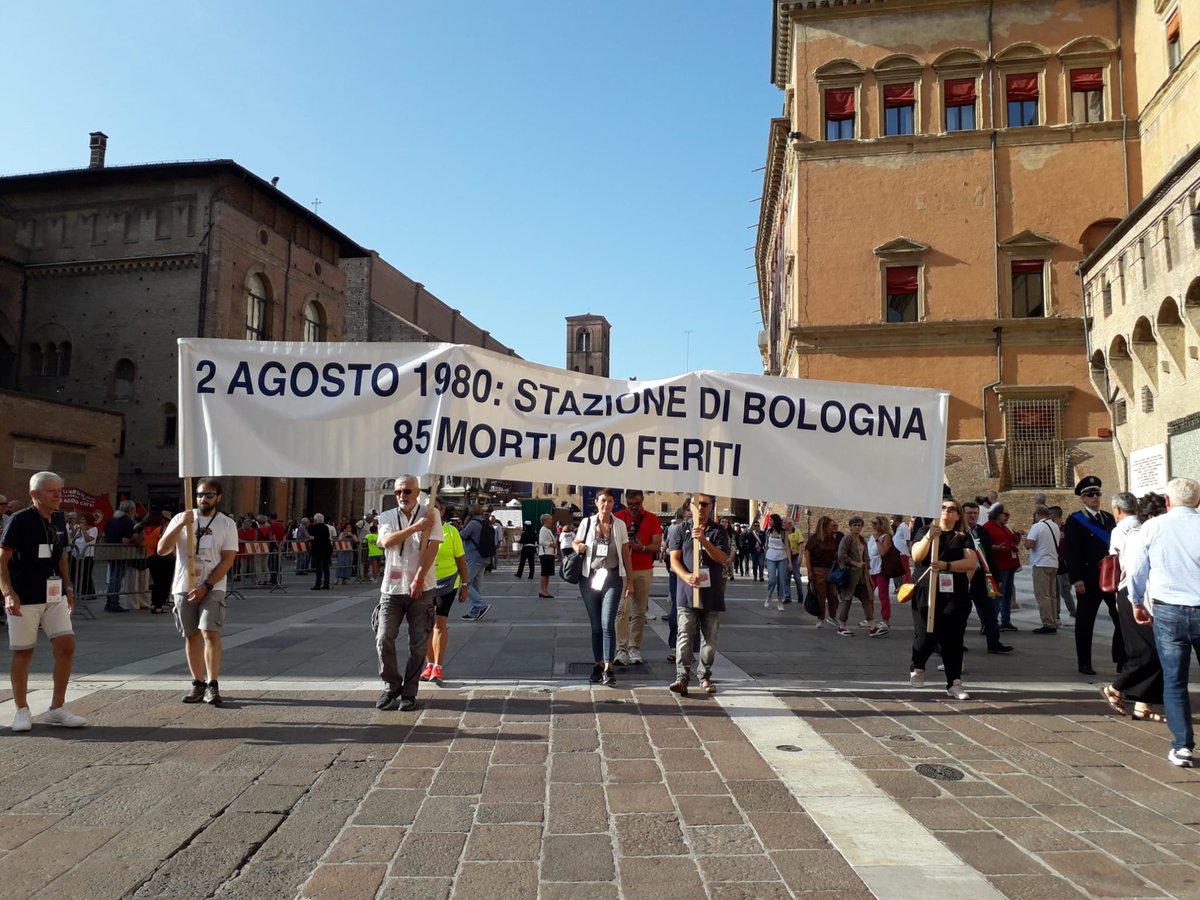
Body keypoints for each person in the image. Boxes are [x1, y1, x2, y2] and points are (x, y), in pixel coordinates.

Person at [1, 472, 86, 731]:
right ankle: (21, 709)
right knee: (24, 652)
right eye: (52, 491)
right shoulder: (19, 520)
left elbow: (61, 556)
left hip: (54, 594)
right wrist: (7, 593)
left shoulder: (59, 518)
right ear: (34, 495)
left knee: (66, 646)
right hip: (24, 596)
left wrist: (68, 586)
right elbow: (2, 559)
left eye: (60, 490)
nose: (58, 495)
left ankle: (57, 708)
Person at [1128, 478, 1200, 767]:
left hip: (1168, 610)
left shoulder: (1153, 527)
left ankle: (1183, 746)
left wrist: (1135, 601)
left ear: (1168, 502)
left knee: (1175, 680)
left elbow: (1136, 569)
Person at [157, 478, 240, 705]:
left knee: (209, 631)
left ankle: (213, 684)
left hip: (212, 586)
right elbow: (162, 550)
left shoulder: (226, 524)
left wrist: (207, 586)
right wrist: (180, 525)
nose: (204, 499)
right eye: (200, 494)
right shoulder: (181, 518)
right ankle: (198, 683)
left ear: (218, 498)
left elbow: (227, 559)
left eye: (209, 495)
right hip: (184, 585)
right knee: (191, 634)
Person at [373, 476, 440, 712]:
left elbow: (433, 546)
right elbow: (387, 541)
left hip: (422, 588)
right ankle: (392, 685)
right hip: (391, 589)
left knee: (419, 643)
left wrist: (420, 578)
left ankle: (409, 692)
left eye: (408, 491)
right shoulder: (388, 516)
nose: (403, 496)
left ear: (418, 492)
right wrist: (416, 527)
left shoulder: (431, 513)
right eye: (399, 492)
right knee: (383, 637)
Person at [1102, 492, 1166, 722]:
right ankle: (1115, 688)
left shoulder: (1146, 531)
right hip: (1134, 594)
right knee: (1148, 650)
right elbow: (1133, 570)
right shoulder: (1137, 535)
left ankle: (1141, 704)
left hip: (1146, 596)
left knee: (1152, 650)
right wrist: (1136, 601)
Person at [909, 498, 978, 699]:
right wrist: (929, 537)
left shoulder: (963, 536)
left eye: (952, 509)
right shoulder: (924, 531)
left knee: (953, 638)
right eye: (943, 508)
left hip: (954, 592)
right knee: (925, 634)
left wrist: (946, 566)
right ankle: (918, 668)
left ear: (958, 515)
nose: (947, 511)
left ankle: (954, 682)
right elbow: (917, 556)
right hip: (926, 590)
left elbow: (971, 562)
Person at [1063, 475, 1125, 676]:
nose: (1095, 498)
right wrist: (1076, 579)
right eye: (1090, 495)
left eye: (1097, 494)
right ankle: (1084, 662)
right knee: (1085, 622)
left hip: (1110, 578)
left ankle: (1121, 659)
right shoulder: (1076, 520)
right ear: (1083, 498)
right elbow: (1071, 552)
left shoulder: (1108, 518)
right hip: (1088, 579)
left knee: (1120, 619)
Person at [668, 493, 730, 696]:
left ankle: (704, 675)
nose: (701, 508)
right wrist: (686, 576)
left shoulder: (718, 531)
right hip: (687, 592)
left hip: (711, 593)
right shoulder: (679, 530)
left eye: (705, 504)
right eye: (697, 504)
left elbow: (721, 558)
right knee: (684, 634)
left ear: (711, 507)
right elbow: (674, 560)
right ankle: (681, 677)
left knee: (709, 640)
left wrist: (703, 539)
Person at [573, 488, 633, 687]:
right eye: (602, 501)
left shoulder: (620, 525)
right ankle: (597, 663)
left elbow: (626, 554)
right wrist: (578, 547)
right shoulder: (587, 523)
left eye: (609, 501)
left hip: (612, 577)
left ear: (614, 503)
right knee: (596, 625)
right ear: (596, 503)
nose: (605, 504)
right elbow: (575, 541)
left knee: (608, 623)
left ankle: (609, 667)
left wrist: (630, 581)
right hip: (589, 577)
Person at [423, 498, 469, 684]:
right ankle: (428, 664)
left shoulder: (451, 532)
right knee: (425, 626)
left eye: (434, 509)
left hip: (446, 583)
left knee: (439, 623)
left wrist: (465, 584)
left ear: (441, 512)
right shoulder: (420, 531)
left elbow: (461, 559)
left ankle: (438, 665)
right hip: (424, 583)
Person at [614, 490, 662, 665]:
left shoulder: (652, 518)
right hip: (622, 570)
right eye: (630, 504)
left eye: (637, 504)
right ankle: (621, 648)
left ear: (642, 501)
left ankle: (634, 647)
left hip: (643, 569)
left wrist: (641, 547)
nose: (633, 507)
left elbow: (656, 546)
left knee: (639, 611)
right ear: (626, 502)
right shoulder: (618, 517)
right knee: (622, 610)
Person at [961, 501, 1012, 654]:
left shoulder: (982, 532)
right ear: (963, 514)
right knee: (961, 612)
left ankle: (994, 642)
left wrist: (996, 577)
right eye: (969, 513)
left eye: (975, 513)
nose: (973, 516)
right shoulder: (958, 532)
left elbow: (989, 556)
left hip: (980, 577)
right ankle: (956, 642)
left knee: (989, 611)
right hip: (962, 577)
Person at [982, 504, 1022, 632]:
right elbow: (984, 546)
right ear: (997, 514)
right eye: (1005, 515)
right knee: (998, 594)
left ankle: (1006, 621)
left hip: (1010, 565)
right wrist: (997, 548)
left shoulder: (1005, 528)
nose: (1007, 517)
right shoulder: (987, 527)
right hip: (999, 566)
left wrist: (1016, 538)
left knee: (1007, 593)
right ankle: (992, 622)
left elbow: (1012, 542)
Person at [1023, 505, 1062, 635]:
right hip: (1053, 563)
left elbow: (1030, 544)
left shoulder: (1037, 526)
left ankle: (1048, 623)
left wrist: (1025, 539)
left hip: (1040, 563)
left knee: (1042, 594)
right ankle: (1054, 620)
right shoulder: (1055, 526)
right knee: (1051, 594)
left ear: (1037, 515)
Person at [835, 517, 876, 636]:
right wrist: (855, 563)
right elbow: (841, 555)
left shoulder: (862, 540)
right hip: (850, 575)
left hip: (862, 577)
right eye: (855, 525)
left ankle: (872, 626)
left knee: (866, 599)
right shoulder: (847, 539)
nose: (857, 527)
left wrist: (869, 576)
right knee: (847, 599)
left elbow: (866, 559)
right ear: (850, 526)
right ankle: (842, 626)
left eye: (859, 525)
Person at [803, 517, 840, 627]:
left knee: (833, 595)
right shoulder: (814, 539)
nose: (833, 527)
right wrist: (810, 571)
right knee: (820, 595)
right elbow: (807, 554)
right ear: (824, 526)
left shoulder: (832, 539)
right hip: (818, 570)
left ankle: (832, 616)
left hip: (831, 569)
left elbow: (836, 552)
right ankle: (821, 617)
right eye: (830, 525)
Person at [458, 504, 493, 621]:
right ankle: (474, 612)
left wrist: (462, 526)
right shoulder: (485, 522)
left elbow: (461, 537)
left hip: (474, 557)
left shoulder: (473, 524)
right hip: (484, 557)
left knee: (465, 584)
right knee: (475, 586)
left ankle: (481, 605)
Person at [102, 499, 137, 613]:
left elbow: (104, 536)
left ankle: (109, 602)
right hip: (121, 553)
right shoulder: (127, 522)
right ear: (130, 509)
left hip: (110, 551)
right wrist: (135, 537)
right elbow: (125, 540)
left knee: (113, 578)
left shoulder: (112, 519)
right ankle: (113, 603)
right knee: (116, 579)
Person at [142, 510, 174, 614]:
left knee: (156, 582)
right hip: (164, 558)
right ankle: (159, 604)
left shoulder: (146, 529)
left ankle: (154, 603)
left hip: (151, 556)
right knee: (165, 582)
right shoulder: (161, 529)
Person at [1048, 506, 1077, 621]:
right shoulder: (1050, 528)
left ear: (1054, 515)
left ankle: (1073, 613)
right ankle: (1056, 615)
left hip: (1064, 562)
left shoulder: (1066, 529)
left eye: (1049, 514)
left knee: (1065, 590)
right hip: (1053, 561)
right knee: (1054, 591)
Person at [866, 517, 893, 634]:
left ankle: (886, 620)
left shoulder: (886, 537)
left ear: (882, 525)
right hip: (871, 569)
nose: (872, 525)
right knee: (869, 595)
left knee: (883, 595)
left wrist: (878, 540)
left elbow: (883, 552)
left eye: (875, 523)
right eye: (872, 522)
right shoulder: (872, 536)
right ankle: (870, 618)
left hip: (881, 570)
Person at [763, 514, 791, 612]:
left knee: (781, 580)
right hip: (771, 556)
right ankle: (769, 595)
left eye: (771, 520)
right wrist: (765, 560)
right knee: (772, 579)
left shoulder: (783, 533)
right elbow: (766, 546)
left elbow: (787, 547)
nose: (769, 521)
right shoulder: (768, 532)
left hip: (782, 556)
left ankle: (780, 601)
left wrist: (790, 562)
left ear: (775, 521)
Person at [68, 511, 98, 598]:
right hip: (76, 555)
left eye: (83, 519)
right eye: (81, 519)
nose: (81, 521)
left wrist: (84, 530)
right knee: (74, 574)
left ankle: (89, 594)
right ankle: (78, 591)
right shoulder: (79, 529)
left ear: (88, 520)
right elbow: (73, 537)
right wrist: (74, 528)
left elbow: (88, 539)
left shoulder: (93, 529)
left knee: (86, 575)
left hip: (87, 555)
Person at [308, 513, 333, 590]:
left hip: (318, 549)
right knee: (326, 567)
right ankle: (326, 583)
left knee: (319, 568)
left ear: (315, 520)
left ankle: (318, 584)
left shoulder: (314, 527)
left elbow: (310, 535)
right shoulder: (325, 527)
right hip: (327, 548)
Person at [537, 514, 558, 598]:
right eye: (550, 519)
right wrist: (551, 544)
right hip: (545, 554)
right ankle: (542, 590)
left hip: (550, 554)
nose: (552, 521)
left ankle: (545, 590)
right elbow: (541, 541)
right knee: (545, 573)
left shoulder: (547, 529)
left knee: (547, 573)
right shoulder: (543, 530)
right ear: (546, 520)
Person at [891, 514, 912, 586]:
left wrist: (908, 550)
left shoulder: (903, 527)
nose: (891, 518)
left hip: (902, 552)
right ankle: (900, 585)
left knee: (905, 570)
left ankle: (907, 585)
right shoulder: (898, 528)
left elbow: (908, 539)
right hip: (897, 553)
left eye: (893, 517)